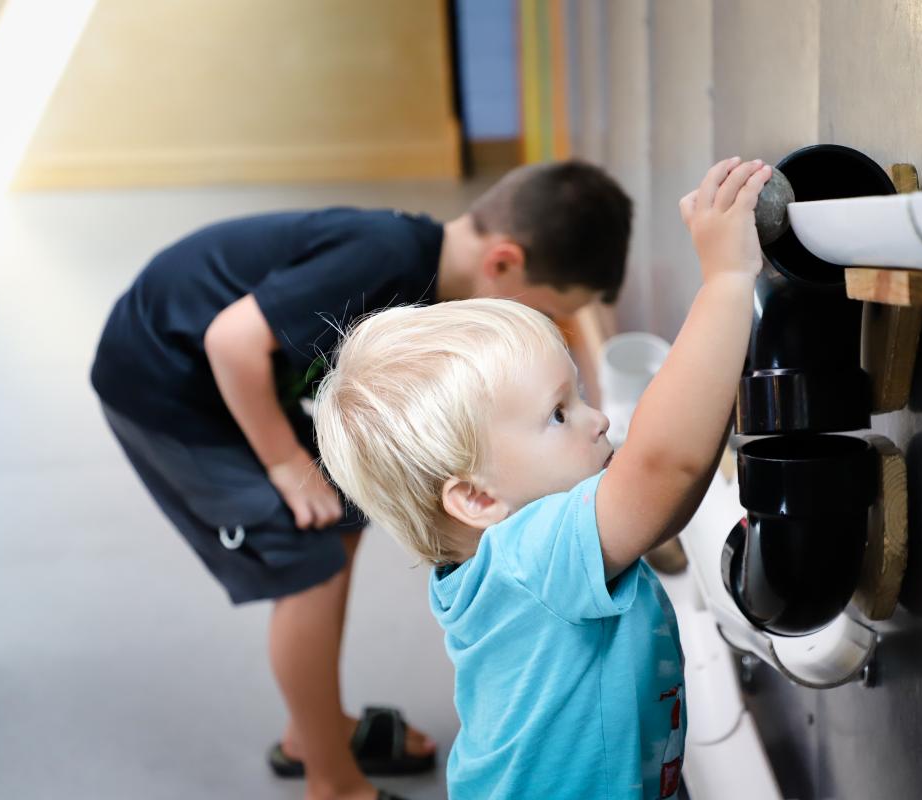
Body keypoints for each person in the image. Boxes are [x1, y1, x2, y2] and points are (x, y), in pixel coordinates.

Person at [90, 161, 632, 800]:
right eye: (550, 311)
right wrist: (285, 465)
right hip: (169, 382)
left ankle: (314, 727)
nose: (547, 325)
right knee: (310, 562)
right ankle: (331, 779)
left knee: (343, 515)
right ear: (503, 263)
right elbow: (232, 341)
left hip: (235, 379)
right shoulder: (385, 258)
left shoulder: (429, 275)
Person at [313, 157, 771, 799]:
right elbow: (667, 467)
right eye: (559, 413)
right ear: (477, 497)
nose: (598, 420)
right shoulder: (531, 558)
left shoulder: (498, 555)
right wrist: (726, 279)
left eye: (578, 396)